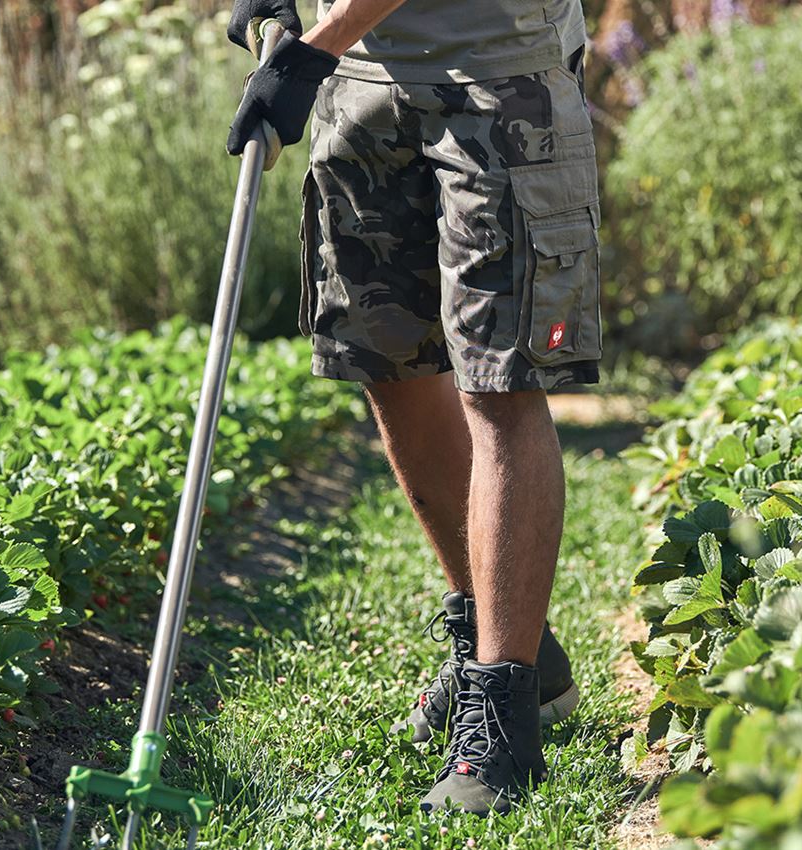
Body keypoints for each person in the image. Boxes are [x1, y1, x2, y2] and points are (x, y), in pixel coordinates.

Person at [225, 0, 602, 816]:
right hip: (361, 83)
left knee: (499, 384)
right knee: (389, 369)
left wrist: (310, 51)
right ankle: (498, 649)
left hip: (499, 78)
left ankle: (502, 713)